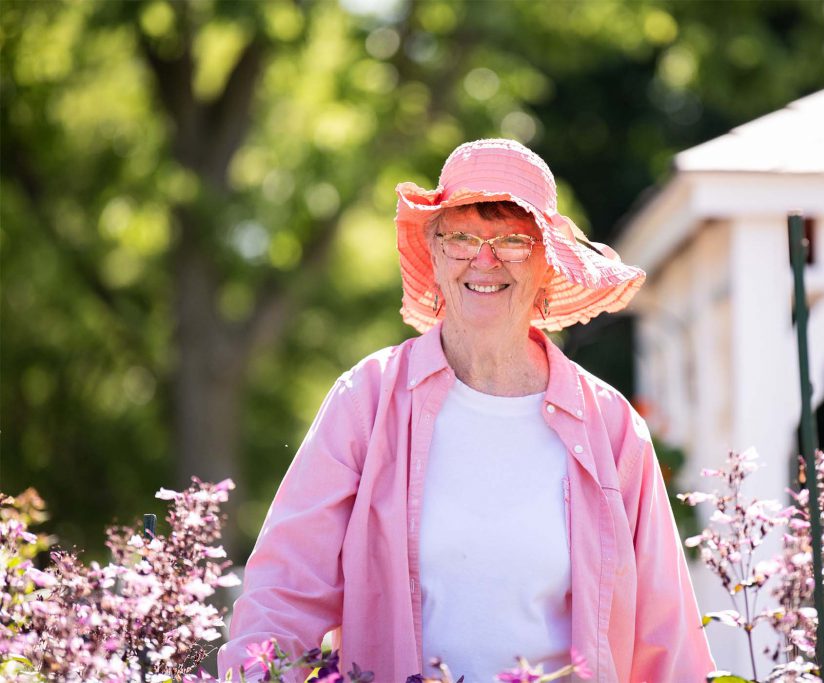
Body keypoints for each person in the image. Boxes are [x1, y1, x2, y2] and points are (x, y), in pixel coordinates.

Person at [218, 139, 716, 682]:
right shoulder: (367, 399)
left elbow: (665, 642)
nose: (485, 259)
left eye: (513, 241)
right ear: (433, 253)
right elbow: (284, 594)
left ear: (546, 261)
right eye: (461, 237)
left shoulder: (614, 429)